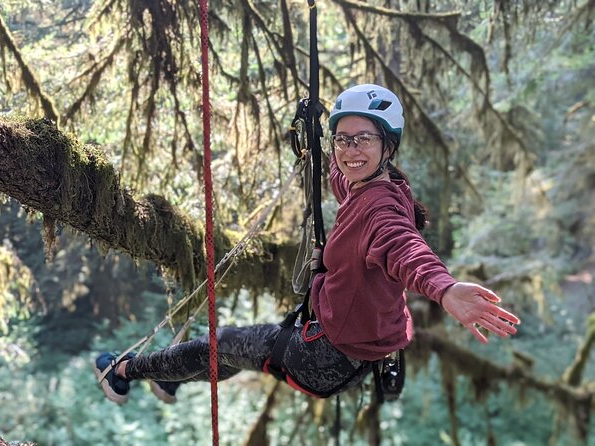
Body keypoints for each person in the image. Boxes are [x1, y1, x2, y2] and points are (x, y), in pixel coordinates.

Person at [94, 83, 520, 405]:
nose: (351, 150)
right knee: (241, 350)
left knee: (218, 344)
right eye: (343, 139)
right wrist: (315, 145)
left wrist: (444, 288)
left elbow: (404, 247)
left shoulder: (381, 209)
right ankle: (173, 377)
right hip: (355, 353)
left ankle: (124, 371)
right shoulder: (376, 184)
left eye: (364, 139)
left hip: (324, 358)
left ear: (387, 145)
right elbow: (340, 177)